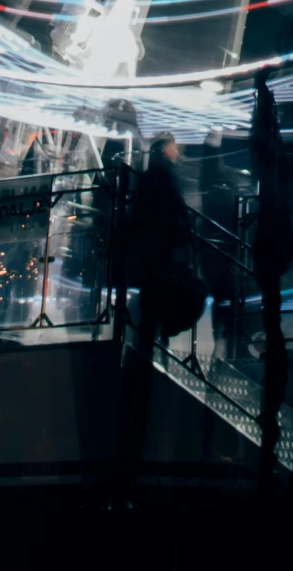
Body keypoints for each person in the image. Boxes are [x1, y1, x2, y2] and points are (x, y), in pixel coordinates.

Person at [116, 133, 200, 506]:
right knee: (190, 297)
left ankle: (153, 345)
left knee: (155, 325)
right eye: (175, 145)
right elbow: (171, 216)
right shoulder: (162, 177)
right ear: (165, 148)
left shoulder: (153, 177)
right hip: (161, 267)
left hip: (153, 268)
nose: (179, 150)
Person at [249, 75, 293, 484]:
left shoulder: (270, 161)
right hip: (277, 242)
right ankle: (273, 400)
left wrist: (261, 99)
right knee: (273, 321)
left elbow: (259, 144)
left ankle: (273, 402)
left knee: (272, 321)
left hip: (271, 241)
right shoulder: (280, 161)